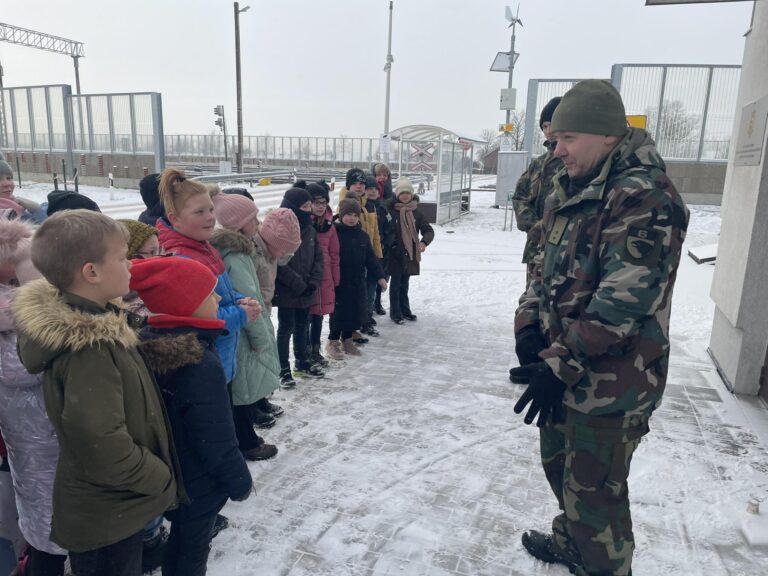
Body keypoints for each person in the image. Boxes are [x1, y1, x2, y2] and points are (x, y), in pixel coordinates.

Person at [509, 80, 689, 576]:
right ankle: (571, 544)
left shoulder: (645, 197)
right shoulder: (573, 186)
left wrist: (560, 362)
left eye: (567, 138)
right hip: (562, 372)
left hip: (612, 384)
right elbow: (542, 267)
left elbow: (623, 301)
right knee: (560, 469)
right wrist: (528, 327)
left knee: (597, 500)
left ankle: (603, 565)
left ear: (607, 136)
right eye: (554, 139)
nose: (557, 150)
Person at [13, 210, 180, 576]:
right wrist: (158, 477)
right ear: (91, 272)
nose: (132, 266)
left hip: (114, 506)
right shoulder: (90, 348)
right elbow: (100, 442)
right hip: (108, 513)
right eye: (123, 258)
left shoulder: (103, 324)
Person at [131, 257, 253, 576]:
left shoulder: (152, 343)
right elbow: (215, 435)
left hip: (170, 474)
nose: (218, 300)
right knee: (193, 550)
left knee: (181, 542)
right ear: (185, 305)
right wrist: (239, 479)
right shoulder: (198, 362)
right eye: (210, 294)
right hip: (198, 482)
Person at [154, 169, 271, 462]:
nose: (209, 217)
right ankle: (206, 501)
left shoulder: (203, 248)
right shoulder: (184, 259)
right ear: (175, 218)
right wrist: (241, 313)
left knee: (221, 429)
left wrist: (237, 301)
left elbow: (218, 296)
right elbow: (202, 319)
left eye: (210, 209)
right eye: (199, 212)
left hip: (220, 358)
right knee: (207, 438)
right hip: (205, 360)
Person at [0, 216, 68, 576]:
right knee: (45, 516)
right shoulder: (15, 321)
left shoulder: (32, 314)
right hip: (31, 437)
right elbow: (18, 369)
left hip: (50, 429)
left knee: (55, 510)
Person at [211, 193, 284, 431]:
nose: (258, 222)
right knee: (245, 379)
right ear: (239, 223)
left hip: (240, 326)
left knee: (246, 378)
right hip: (246, 328)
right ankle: (247, 427)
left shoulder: (232, 250)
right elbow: (248, 296)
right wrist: (262, 337)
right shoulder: (237, 255)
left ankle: (252, 413)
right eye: (253, 218)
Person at [273, 186, 325, 387]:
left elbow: (318, 258)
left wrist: (313, 282)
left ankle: (302, 361)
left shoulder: (310, 229)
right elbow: (279, 262)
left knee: (303, 326)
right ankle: (283, 368)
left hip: (307, 289)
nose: (309, 209)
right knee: (286, 329)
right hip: (288, 291)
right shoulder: (281, 230)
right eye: (304, 206)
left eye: (310, 205)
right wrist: (298, 284)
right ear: (293, 207)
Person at [326, 199, 387, 358]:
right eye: (348, 214)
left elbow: (371, 259)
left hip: (357, 280)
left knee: (353, 311)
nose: (352, 218)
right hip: (339, 281)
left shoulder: (362, 236)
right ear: (341, 214)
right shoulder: (334, 232)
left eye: (355, 215)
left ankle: (347, 341)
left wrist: (380, 276)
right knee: (338, 312)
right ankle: (333, 341)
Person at [512, 97, 564, 282]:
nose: (548, 131)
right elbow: (519, 197)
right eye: (544, 126)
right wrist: (534, 226)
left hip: (566, 249)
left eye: (552, 125)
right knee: (533, 299)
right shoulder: (538, 164)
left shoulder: (576, 162)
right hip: (536, 248)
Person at [385, 178, 434, 325]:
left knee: (404, 284)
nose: (405, 196)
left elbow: (428, 230)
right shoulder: (391, 212)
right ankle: (395, 313)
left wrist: (424, 242)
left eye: (408, 193)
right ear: (397, 195)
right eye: (402, 193)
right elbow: (385, 231)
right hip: (394, 254)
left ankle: (405, 310)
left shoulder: (416, 213)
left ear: (412, 195)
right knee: (395, 285)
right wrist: (391, 245)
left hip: (409, 254)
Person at [306, 182, 340, 363]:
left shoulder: (330, 225)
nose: (320, 206)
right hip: (307, 277)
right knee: (306, 319)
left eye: (323, 202)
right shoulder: (304, 224)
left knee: (319, 315)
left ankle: (315, 351)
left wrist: (335, 277)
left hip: (325, 277)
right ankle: (304, 353)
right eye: (316, 202)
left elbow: (334, 254)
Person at [251, 208, 301, 312]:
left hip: (263, 311)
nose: (285, 255)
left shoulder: (270, 254)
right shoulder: (255, 256)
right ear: (271, 242)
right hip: (255, 315)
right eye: (284, 251)